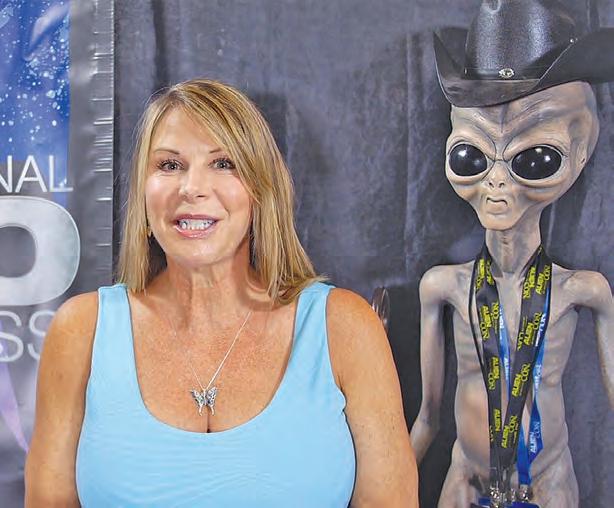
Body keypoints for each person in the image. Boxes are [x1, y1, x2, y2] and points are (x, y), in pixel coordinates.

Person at [24, 79, 418, 507]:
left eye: (223, 163)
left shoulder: (344, 327)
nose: (191, 187)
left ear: (260, 191)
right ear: (143, 193)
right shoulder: (81, 330)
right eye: (169, 165)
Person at [410, 1, 614, 507]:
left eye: (534, 159)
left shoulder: (583, 291)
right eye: (472, 157)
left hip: (549, 483)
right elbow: (427, 418)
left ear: (578, 155)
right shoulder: (442, 287)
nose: (497, 182)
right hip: (465, 479)